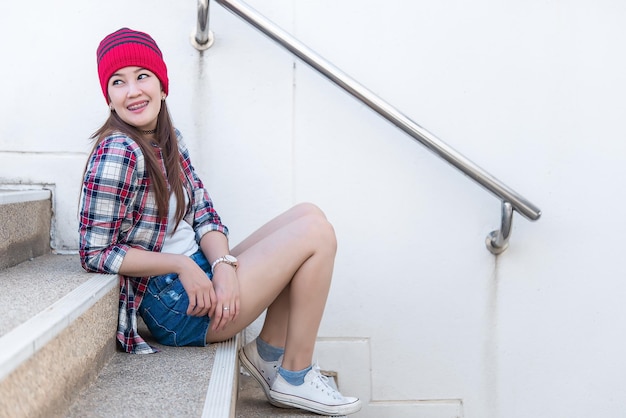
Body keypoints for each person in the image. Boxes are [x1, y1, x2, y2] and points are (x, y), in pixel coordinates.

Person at [78, 28, 361, 416]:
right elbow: (95, 251)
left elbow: (204, 213)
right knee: (315, 235)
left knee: (307, 214)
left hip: (196, 274)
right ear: (108, 97)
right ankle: (295, 375)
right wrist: (180, 265)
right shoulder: (118, 150)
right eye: (118, 81)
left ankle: (269, 353)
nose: (133, 90)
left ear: (162, 84)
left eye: (142, 75)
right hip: (176, 304)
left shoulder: (166, 139)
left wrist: (223, 267)